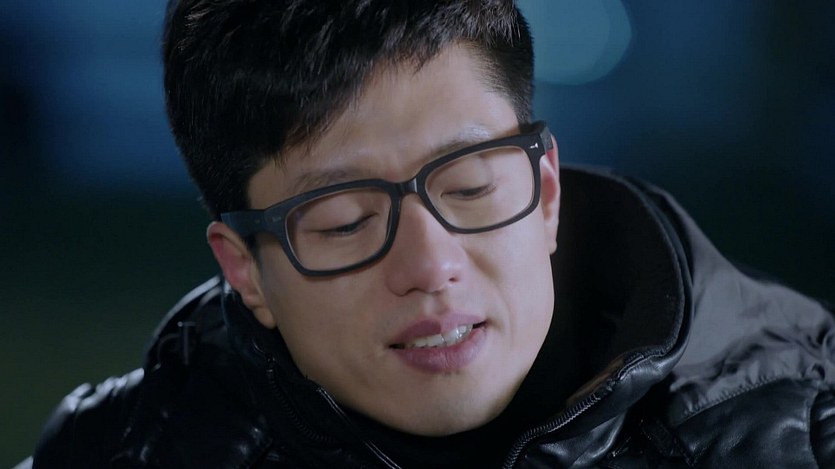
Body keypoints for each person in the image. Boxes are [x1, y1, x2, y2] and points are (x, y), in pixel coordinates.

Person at [23, 1, 835, 467]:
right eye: (343, 221)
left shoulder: (803, 427)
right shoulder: (121, 450)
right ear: (246, 274)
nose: (430, 265)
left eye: (470, 186)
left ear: (546, 192)